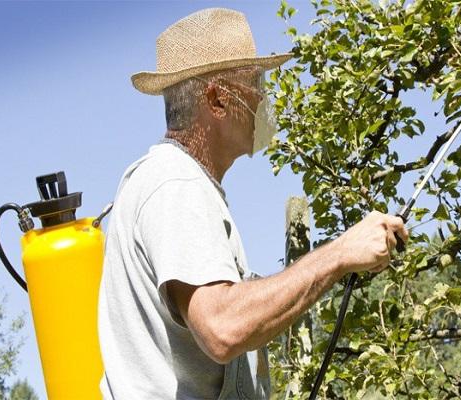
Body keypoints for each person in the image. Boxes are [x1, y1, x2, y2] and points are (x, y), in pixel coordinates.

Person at [97, 7, 408, 400]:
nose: (264, 98)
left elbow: (216, 314)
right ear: (217, 100)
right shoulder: (175, 183)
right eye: (255, 84)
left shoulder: (177, 183)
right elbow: (222, 327)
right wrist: (341, 253)